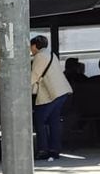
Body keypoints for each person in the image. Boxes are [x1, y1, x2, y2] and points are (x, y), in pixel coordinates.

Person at [30, 34, 74, 162]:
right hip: (62, 91)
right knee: (54, 121)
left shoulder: (39, 56)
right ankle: (54, 150)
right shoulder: (51, 54)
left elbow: (35, 75)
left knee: (40, 120)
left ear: (34, 45)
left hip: (50, 94)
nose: (31, 49)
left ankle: (43, 150)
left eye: (31, 46)